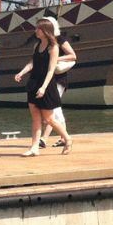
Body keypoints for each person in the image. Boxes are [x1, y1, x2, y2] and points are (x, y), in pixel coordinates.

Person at [16, 18, 71, 156]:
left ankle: (67, 138)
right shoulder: (37, 45)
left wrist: (44, 87)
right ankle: (34, 147)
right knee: (35, 117)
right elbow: (32, 62)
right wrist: (22, 72)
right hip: (34, 81)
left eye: (38, 29)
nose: (36, 31)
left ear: (45, 31)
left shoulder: (53, 47)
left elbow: (51, 70)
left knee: (49, 118)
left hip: (46, 84)